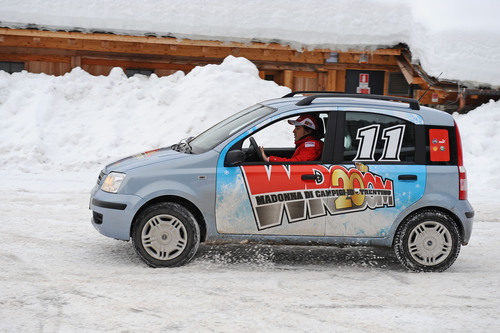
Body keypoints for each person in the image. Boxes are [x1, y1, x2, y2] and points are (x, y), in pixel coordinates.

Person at [259, 114, 324, 162]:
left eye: (297, 128)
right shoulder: (309, 144)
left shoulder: (312, 146)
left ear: (308, 131)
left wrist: (268, 159)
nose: (293, 131)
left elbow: (295, 163)